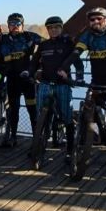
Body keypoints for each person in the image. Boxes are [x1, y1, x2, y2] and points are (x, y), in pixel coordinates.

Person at [64, 6, 106, 164]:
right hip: (98, 82)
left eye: (99, 19)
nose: (95, 21)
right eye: (92, 19)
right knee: (91, 110)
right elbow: (75, 54)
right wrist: (62, 69)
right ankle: (85, 144)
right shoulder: (87, 35)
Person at [31, 15, 83, 163]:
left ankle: (70, 150)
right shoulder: (43, 45)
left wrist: (79, 77)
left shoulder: (68, 44)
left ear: (61, 28)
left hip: (63, 84)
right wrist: (29, 72)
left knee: (67, 117)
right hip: (46, 83)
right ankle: (38, 147)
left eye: (56, 27)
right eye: (50, 28)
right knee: (42, 115)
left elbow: (78, 63)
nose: (53, 30)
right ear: (47, 30)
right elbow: (34, 62)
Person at [0, 12, 41, 147]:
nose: (14, 26)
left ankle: (37, 138)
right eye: (11, 24)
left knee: (32, 109)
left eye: (17, 24)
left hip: (28, 79)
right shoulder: (3, 39)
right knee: (14, 109)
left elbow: (48, 45)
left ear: (22, 25)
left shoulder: (30, 36)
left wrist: (40, 63)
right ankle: (13, 137)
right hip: (12, 80)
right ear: (8, 25)